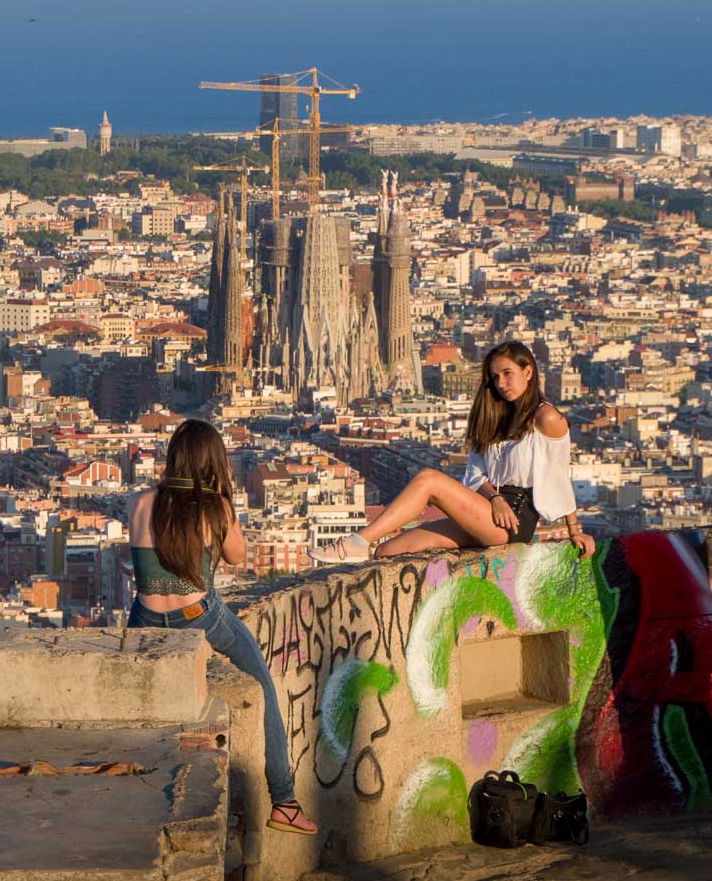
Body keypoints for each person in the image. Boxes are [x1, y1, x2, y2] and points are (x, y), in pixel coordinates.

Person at [127, 418, 317, 836]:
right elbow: (236, 556)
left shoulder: (140, 502)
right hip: (197, 617)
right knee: (264, 685)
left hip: (143, 619)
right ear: (215, 462)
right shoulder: (216, 508)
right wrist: (224, 501)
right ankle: (284, 801)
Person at [309, 340, 595, 564]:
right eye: (495, 377)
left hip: (513, 521)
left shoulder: (546, 419)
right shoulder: (496, 418)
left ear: (528, 372)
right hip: (489, 511)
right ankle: (367, 547)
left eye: (508, 374)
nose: (501, 384)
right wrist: (494, 497)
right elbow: (473, 473)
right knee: (388, 550)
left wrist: (574, 530)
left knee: (428, 480)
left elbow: (559, 476)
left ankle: (354, 542)